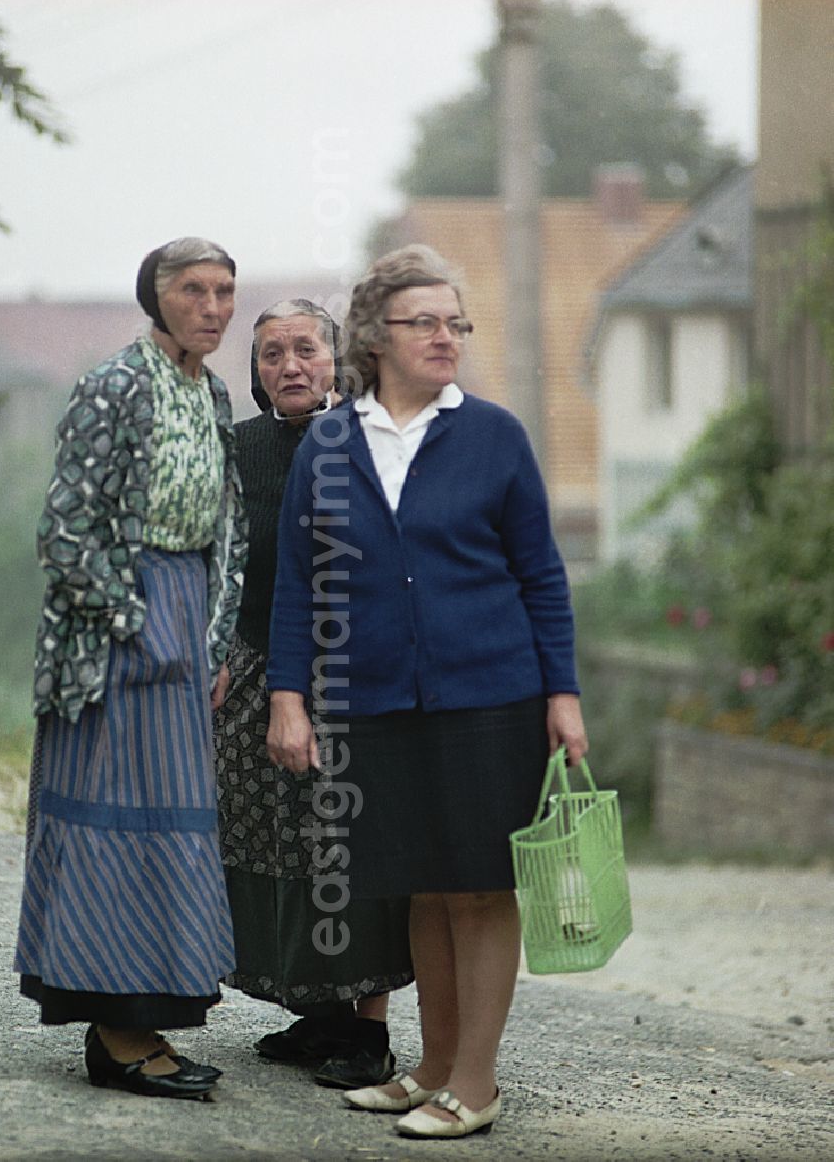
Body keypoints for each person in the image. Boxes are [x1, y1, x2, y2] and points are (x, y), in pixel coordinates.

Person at [266, 245, 588, 1140]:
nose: (447, 337)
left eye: (456, 323)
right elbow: (300, 583)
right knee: (421, 886)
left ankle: (475, 1084)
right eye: (427, 323)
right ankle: (434, 1068)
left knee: (480, 887)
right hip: (370, 699)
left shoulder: (494, 435)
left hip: (492, 696)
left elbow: (542, 575)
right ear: (377, 337)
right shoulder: (330, 443)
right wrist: (287, 695)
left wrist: (562, 693)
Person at [14, 237, 247, 1100]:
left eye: (225, 290)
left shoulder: (212, 392)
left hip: (187, 618)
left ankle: (140, 1024)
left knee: (173, 826)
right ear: (156, 299)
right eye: (194, 290)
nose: (214, 307)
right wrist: (132, 624)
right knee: (118, 824)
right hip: (115, 630)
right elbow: (65, 532)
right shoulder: (113, 384)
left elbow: (230, 528)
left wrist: (212, 640)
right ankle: (118, 1033)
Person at [214, 299, 413, 1090]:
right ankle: (315, 1011)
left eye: (305, 349)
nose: (289, 366)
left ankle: (367, 1029)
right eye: (270, 354)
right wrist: (216, 649)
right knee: (272, 841)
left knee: (347, 841)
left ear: (339, 359)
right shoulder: (239, 450)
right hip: (257, 667)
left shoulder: (369, 443)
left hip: (354, 675)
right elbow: (215, 556)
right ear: (256, 372)